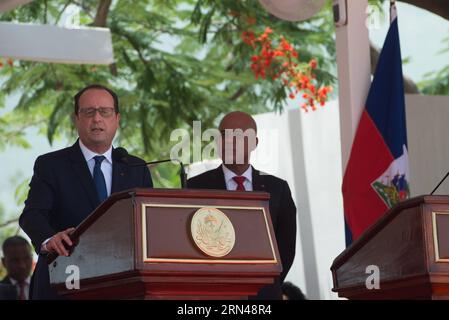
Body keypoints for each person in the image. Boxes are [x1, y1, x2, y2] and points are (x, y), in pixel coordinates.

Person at [19, 84, 153, 299]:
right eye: (88, 112)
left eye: (105, 112)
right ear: (76, 119)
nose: (97, 119)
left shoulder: (135, 167)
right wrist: (49, 239)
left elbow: (149, 224)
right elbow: (32, 215)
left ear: (117, 119)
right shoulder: (51, 165)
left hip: (120, 282)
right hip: (64, 277)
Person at [187, 111, 297, 299]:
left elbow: (286, 248)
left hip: (264, 293)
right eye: (224, 135)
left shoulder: (277, 188)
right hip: (213, 292)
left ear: (254, 142)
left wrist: (268, 283)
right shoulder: (195, 186)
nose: (230, 141)